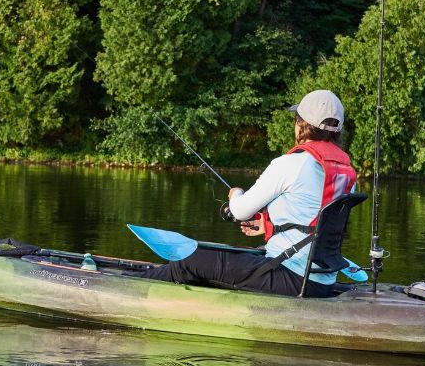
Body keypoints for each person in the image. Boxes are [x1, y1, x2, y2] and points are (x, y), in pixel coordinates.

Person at [135, 90, 357, 297]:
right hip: (321, 281)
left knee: (189, 260)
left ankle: (131, 290)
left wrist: (237, 193)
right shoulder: (346, 173)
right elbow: (318, 222)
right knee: (215, 262)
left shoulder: (291, 164)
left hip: (289, 277)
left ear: (301, 126)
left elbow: (239, 211)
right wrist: (269, 226)